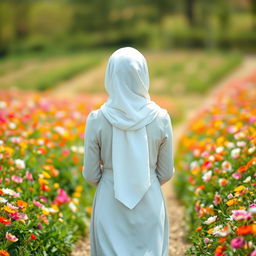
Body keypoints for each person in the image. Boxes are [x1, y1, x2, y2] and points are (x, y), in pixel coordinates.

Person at [82, 47, 175, 256]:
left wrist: (112, 179)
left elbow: (90, 173)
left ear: (110, 75)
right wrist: (143, 177)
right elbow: (166, 172)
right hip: (149, 199)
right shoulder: (161, 118)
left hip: (109, 201)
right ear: (142, 75)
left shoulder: (97, 119)